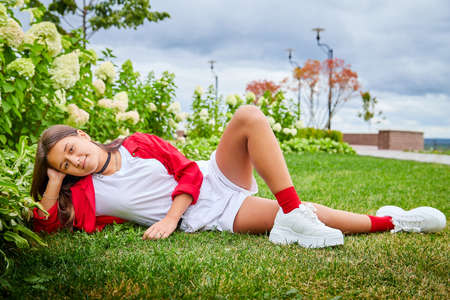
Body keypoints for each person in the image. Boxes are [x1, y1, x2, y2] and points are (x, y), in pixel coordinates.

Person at [31, 105, 447, 248]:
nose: (76, 161)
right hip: (211, 213)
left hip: (210, 180)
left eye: (71, 150)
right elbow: (46, 226)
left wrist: (170, 218)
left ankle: (292, 212)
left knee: (249, 116)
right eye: (65, 164)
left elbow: (189, 171)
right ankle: (394, 221)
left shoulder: (137, 143)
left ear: (82, 135)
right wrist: (52, 180)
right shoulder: (87, 194)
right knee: (305, 214)